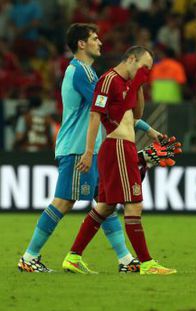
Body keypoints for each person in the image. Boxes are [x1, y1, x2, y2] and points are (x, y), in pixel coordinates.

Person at [17, 23, 160, 273]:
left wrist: (147, 129)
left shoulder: (90, 73)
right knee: (64, 201)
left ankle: (126, 260)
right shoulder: (80, 72)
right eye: (94, 38)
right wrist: (145, 125)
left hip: (92, 148)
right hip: (77, 147)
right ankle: (29, 257)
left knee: (105, 203)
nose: (100, 42)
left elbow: (115, 109)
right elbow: (108, 109)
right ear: (81, 44)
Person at [62, 46, 176, 275]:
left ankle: (73, 257)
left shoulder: (126, 84)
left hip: (125, 147)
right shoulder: (109, 80)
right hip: (117, 147)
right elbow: (96, 114)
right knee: (134, 203)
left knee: (105, 206)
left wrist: (139, 85)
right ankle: (147, 263)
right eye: (144, 67)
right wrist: (87, 151)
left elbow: (137, 115)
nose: (146, 72)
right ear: (131, 59)